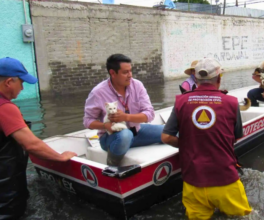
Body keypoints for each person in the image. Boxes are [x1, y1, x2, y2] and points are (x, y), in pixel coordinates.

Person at [161, 58, 252, 219]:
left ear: (195, 79)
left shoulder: (181, 101)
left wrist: (188, 143)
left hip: (193, 183)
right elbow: (235, 138)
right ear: (219, 79)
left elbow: (166, 137)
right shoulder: (231, 102)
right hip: (226, 181)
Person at [0, 57, 77, 219]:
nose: (22, 88)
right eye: (21, 82)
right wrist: (60, 157)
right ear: (8, 82)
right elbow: (32, 144)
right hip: (6, 190)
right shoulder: (5, 108)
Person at [83, 54, 164, 166]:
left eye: (130, 71)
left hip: (137, 131)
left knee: (172, 130)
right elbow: (87, 121)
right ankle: (112, 164)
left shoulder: (137, 85)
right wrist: (105, 126)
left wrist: (126, 117)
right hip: (112, 137)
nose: (130, 75)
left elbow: (149, 114)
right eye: (125, 72)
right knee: (125, 135)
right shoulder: (98, 92)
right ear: (112, 73)